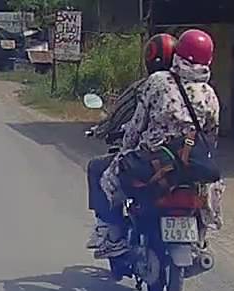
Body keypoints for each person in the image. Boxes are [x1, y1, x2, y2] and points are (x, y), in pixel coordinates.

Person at [94, 29, 221, 258]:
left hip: (155, 159)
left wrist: (125, 151)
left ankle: (113, 236)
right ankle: (201, 240)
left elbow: (137, 125)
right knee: (209, 189)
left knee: (106, 175)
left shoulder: (158, 81)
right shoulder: (210, 94)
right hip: (189, 162)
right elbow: (211, 137)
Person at [85, 33, 176, 250]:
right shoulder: (199, 90)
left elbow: (127, 122)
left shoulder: (147, 86)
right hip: (185, 160)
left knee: (98, 168)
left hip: (150, 158)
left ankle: (111, 229)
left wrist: (103, 131)